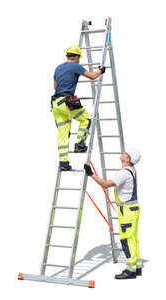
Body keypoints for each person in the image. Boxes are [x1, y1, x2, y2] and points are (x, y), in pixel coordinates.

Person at [84, 148, 143, 279]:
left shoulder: (124, 173)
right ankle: (137, 266)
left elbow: (106, 184)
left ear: (128, 159)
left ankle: (131, 270)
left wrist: (91, 174)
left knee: (126, 239)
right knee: (132, 238)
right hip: (132, 208)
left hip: (127, 210)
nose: (123, 153)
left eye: (125, 154)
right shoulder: (131, 170)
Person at [52, 45, 105, 171]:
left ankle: (64, 163)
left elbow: (55, 86)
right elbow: (92, 76)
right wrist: (101, 71)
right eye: (79, 58)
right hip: (66, 103)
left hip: (55, 104)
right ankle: (80, 144)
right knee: (87, 119)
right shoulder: (76, 66)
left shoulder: (58, 68)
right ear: (75, 57)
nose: (79, 60)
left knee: (63, 134)